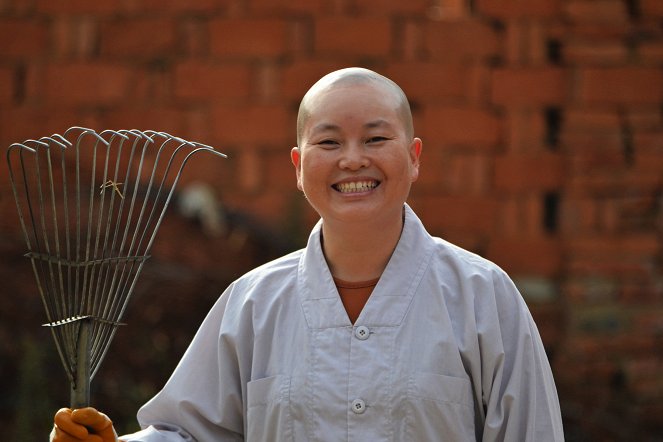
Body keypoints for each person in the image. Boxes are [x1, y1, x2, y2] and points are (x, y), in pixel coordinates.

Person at [51, 67, 564, 441]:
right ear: (298, 167)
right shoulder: (253, 304)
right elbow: (188, 435)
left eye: (376, 137)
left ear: (413, 158)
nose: (352, 159)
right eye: (329, 142)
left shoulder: (482, 295)